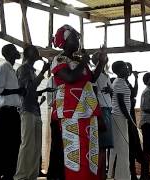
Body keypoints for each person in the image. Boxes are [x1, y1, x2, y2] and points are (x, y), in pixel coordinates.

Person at [51, 25, 105, 180]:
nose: (78, 40)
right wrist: (84, 62)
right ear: (65, 41)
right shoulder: (59, 59)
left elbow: (92, 78)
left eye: (78, 37)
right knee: (76, 152)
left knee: (90, 149)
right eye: (74, 37)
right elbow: (70, 78)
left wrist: (100, 62)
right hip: (71, 110)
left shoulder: (78, 60)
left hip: (87, 108)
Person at [14, 45, 50, 180]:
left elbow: (32, 91)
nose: (38, 54)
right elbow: (29, 88)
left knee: (36, 147)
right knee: (27, 144)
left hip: (35, 110)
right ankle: (21, 176)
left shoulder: (31, 71)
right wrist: (43, 72)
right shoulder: (23, 69)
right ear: (28, 55)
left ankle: (32, 175)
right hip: (27, 109)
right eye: (35, 52)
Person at [0, 44, 25, 180]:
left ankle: (10, 174)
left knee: (14, 144)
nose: (18, 52)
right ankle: (4, 174)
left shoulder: (11, 69)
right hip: (6, 112)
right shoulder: (3, 68)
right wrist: (17, 91)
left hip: (14, 112)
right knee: (6, 145)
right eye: (15, 50)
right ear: (9, 53)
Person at [91, 52, 113, 180]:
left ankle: (102, 175)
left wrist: (110, 91)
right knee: (101, 146)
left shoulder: (105, 75)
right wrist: (98, 114)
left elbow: (110, 91)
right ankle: (99, 175)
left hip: (108, 109)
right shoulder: (95, 73)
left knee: (104, 146)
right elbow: (93, 94)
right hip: (101, 111)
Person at [108, 61, 131, 180]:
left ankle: (120, 175)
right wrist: (129, 118)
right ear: (118, 70)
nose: (127, 69)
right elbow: (121, 103)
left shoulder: (122, 82)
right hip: (119, 117)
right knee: (122, 147)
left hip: (121, 117)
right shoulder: (118, 83)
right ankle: (122, 176)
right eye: (125, 67)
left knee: (120, 147)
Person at [126, 62, 144, 180]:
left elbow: (134, 94)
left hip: (131, 116)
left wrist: (136, 78)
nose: (129, 71)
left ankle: (132, 173)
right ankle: (129, 173)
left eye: (130, 69)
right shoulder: (117, 82)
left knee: (133, 145)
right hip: (125, 117)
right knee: (128, 146)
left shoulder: (127, 82)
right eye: (127, 69)